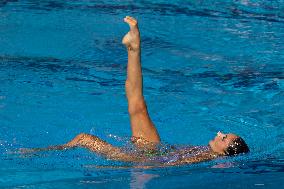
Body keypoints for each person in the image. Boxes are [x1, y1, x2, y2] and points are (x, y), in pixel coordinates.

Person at [23, 16, 249, 166]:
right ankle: (134, 46)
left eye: (225, 138)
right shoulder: (206, 153)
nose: (220, 134)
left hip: (143, 159)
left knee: (85, 138)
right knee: (137, 104)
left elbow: (167, 167)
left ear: (225, 154)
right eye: (224, 133)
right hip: (152, 150)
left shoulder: (206, 156)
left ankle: (33, 153)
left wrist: (133, 171)